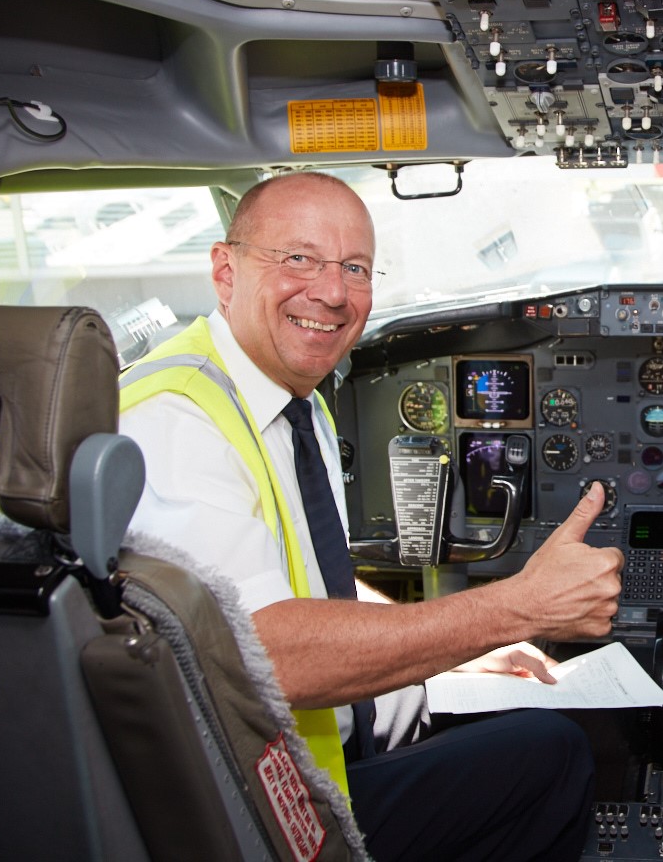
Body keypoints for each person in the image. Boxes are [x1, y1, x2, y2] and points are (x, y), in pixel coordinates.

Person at [119, 171, 623, 861]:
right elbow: (268, 653)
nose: (330, 292)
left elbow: (303, 586)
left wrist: (462, 653)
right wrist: (515, 609)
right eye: (297, 258)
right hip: (268, 810)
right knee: (555, 755)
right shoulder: (174, 422)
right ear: (224, 270)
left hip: (317, 759)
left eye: (353, 267)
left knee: (535, 725)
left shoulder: (298, 402)